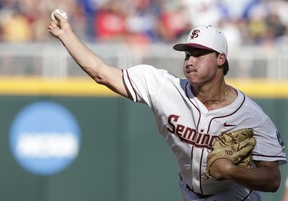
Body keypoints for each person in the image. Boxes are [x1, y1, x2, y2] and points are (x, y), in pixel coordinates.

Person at [48, 13, 287, 200]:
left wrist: (232, 172)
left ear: (220, 59)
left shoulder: (251, 116)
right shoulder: (163, 87)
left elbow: (273, 179)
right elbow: (102, 74)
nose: (190, 61)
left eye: (199, 54)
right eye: (187, 55)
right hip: (189, 192)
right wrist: (67, 34)